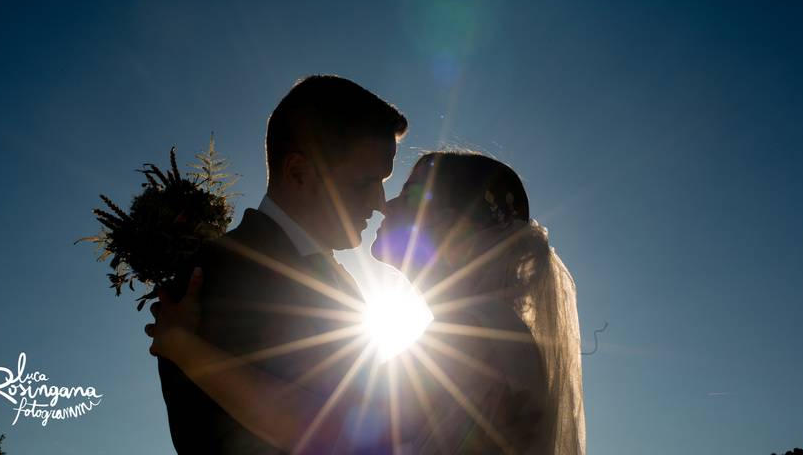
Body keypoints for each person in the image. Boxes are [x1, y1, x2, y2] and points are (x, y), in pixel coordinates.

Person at [149, 149, 586, 454]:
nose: (384, 205)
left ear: (453, 230)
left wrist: (183, 346)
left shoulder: (477, 333)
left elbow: (318, 431)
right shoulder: (486, 327)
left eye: (410, 194)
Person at [153, 74, 407, 454]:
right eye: (364, 183)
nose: (380, 202)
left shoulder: (344, 282)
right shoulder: (209, 277)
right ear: (298, 173)